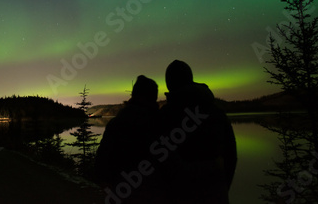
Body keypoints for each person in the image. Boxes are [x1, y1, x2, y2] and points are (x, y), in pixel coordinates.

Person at [159, 60, 237, 204]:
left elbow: (160, 162)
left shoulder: (165, 116)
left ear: (169, 84)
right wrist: (222, 189)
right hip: (215, 194)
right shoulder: (216, 112)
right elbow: (231, 157)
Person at [95, 75, 166, 203]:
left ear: (133, 95)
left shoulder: (116, 124)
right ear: (153, 97)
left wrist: (106, 184)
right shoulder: (161, 124)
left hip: (120, 192)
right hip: (153, 194)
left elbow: (102, 160)